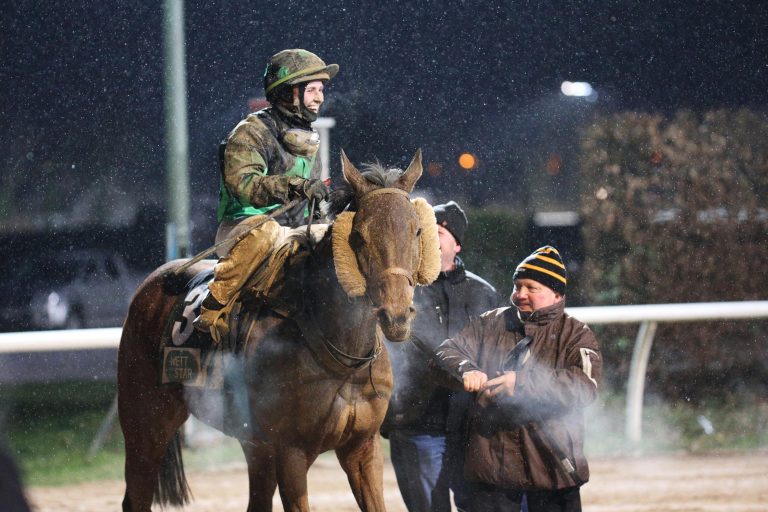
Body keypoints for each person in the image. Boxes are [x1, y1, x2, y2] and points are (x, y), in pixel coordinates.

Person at [436, 246, 602, 512]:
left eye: (530, 287)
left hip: (553, 468)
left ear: (556, 293)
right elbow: (447, 351)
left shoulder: (577, 335)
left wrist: (521, 383)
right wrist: (466, 369)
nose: (519, 294)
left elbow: (584, 386)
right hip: (492, 472)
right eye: (517, 286)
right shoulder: (489, 323)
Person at [195, 48, 338, 334]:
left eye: (320, 89)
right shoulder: (249, 133)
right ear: (287, 93)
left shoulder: (311, 138)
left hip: (297, 231)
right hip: (245, 228)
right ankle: (213, 308)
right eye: (311, 90)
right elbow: (244, 184)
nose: (320, 97)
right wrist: (293, 186)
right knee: (267, 232)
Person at [381, 201, 500, 512]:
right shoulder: (399, 292)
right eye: (422, 233)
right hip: (417, 426)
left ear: (457, 244)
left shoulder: (483, 293)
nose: (429, 239)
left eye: (438, 232)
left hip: (472, 429)